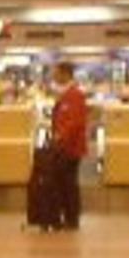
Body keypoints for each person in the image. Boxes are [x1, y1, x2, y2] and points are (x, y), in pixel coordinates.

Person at [47, 61, 88, 231]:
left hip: (70, 148)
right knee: (63, 183)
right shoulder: (64, 94)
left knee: (69, 184)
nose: (53, 76)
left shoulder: (75, 95)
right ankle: (67, 216)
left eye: (56, 73)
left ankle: (72, 218)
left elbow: (74, 123)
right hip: (62, 147)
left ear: (65, 74)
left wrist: (59, 137)